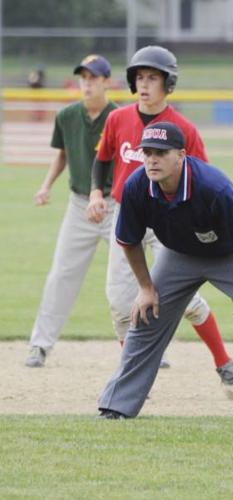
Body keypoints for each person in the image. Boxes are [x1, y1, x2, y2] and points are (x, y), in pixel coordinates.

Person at [96, 121, 233, 425]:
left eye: (161, 152)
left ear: (181, 155)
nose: (152, 159)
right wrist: (146, 288)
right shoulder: (137, 185)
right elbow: (129, 241)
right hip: (180, 253)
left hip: (232, 252)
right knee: (147, 315)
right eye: (147, 152)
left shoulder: (213, 186)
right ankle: (116, 406)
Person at [87, 45, 233, 398]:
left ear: (168, 83)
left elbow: (204, 178)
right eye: (140, 78)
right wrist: (96, 192)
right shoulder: (117, 119)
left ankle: (225, 365)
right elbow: (102, 159)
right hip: (126, 215)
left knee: (181, 300)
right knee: (119, 301)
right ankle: (132, 382)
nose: (144, 85)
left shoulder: (183, 129)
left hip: (169, 219)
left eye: (153, 78)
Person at [25, 55, 117, 367]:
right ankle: (40, 345)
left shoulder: (119, 117)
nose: (87, 83)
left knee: (128, 280)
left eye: (94, 78)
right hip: (79, 206)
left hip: (115, 206)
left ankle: (148, 350)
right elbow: (63, 155)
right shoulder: (67, 115)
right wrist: (46, 185)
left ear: (107, 81)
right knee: (61, 275)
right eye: (83, 77)